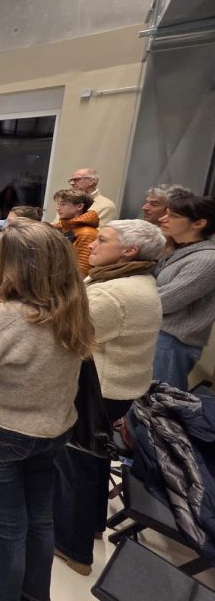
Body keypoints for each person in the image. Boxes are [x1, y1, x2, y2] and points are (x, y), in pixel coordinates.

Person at [0, 218, 93, 601]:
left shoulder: (0, 318)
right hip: (54, 431)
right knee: (39, 521)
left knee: (5, 527)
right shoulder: (76, 312)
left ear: (16, 266)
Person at [52, 219, 165, 576]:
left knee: (75, 465)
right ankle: (92, 527)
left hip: (97, 390)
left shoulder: (114, 294)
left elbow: (66, 334)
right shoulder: (129, 279)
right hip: (113, 388)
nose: (92, 244)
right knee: (94, 459)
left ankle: (72, 547)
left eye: (103, 240)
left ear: (129, 251)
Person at [152, 194, 215, 389]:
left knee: (159, 400)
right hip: (160, 334)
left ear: (199, 223)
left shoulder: (206, 260)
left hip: (173, 341)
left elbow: (165, 301)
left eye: (173, 215)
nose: (163, 218)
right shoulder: (180, 249)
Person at [52, 188, 99, 276]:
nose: (57, 208)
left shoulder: (88, 233)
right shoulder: (59, 227)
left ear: (79, 206)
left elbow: (82, 271)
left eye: (63, 204)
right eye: (58, 204)